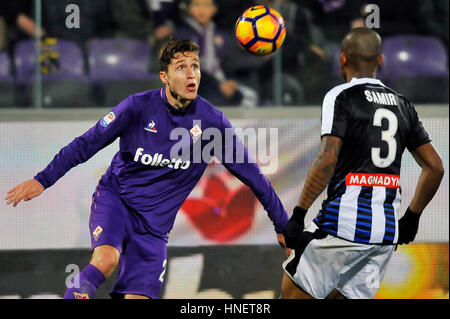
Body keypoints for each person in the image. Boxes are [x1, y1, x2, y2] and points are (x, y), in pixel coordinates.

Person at [5, 39, 289, 299]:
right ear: (164, 77)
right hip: (116, 201)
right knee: (106, 260)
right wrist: (43, 180)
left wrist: (282, 224)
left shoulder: (213, 123)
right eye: (181, 67)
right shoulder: (137, 107)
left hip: (154, 228)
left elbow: (254, 177)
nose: (191, 74)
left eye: (195, 66)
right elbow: (85, 144)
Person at [280, 27, 444, 299]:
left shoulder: (341, 95)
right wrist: (412, 218)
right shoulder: (403, 104)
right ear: (380, 61)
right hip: (384, 235)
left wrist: (298, 216)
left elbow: (327, 158)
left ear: (342, 59)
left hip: (340, 227)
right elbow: (436, 167)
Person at [174, 0, 258, 106]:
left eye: (207, 5)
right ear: (188, 8)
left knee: (249, 97)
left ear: (215, 9)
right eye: (196, 5)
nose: (202, 10)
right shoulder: (181, 34)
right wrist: (218, 85)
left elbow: (228, 62)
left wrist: (230, 80)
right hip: (199, 84)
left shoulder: (221, 34)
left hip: (222, 82)